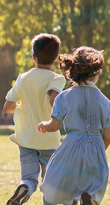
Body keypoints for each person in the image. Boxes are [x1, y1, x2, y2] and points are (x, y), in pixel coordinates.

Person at [38, 46, 110, 205]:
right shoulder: (106, 103)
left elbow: (54, 125)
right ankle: (89, 199)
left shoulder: (64, 96)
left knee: (54, 187)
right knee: (91, 187)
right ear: (98, 73)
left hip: (71, 149)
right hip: (96, 152)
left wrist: (43, 124)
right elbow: (108, 135)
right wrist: (97, 151)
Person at [3, 34, 66, 205]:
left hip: (25, 139)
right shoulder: (57, 78)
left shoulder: (23, 78)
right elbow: (54, 100)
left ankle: (25, 187)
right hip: (48, 139)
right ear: (56, 58)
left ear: (33, 57)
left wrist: (20, 107)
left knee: (29, 178)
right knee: (50, 181)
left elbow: (7, 107)